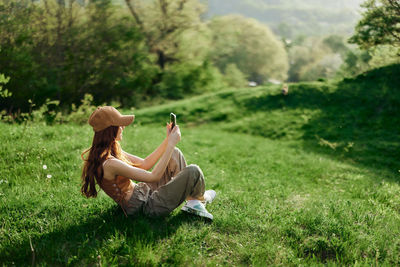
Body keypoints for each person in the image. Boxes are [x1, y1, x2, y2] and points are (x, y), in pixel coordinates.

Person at [80, 106, 216, 220]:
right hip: (146, 208)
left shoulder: (108, 149)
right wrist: (170, 144)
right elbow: (153, 177)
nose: (123, 127)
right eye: (120, 125)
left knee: (175, 153)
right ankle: (197, 200)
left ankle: (194, 201)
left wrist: (168, 140)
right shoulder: (109, 163)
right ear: (110, 130)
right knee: (193, 170)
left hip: (143, 193)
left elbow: (145, 164)